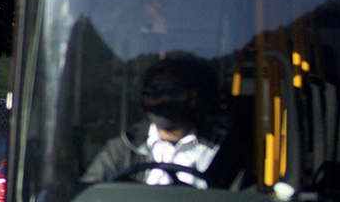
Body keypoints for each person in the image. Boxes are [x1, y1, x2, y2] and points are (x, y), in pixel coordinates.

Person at [82, 54, 244, 189]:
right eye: (154, 92)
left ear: (193, 96)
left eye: (173, 90)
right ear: (143, 100)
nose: (165, 98)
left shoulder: (224, 150)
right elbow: (89, 196)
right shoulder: (122, 149)